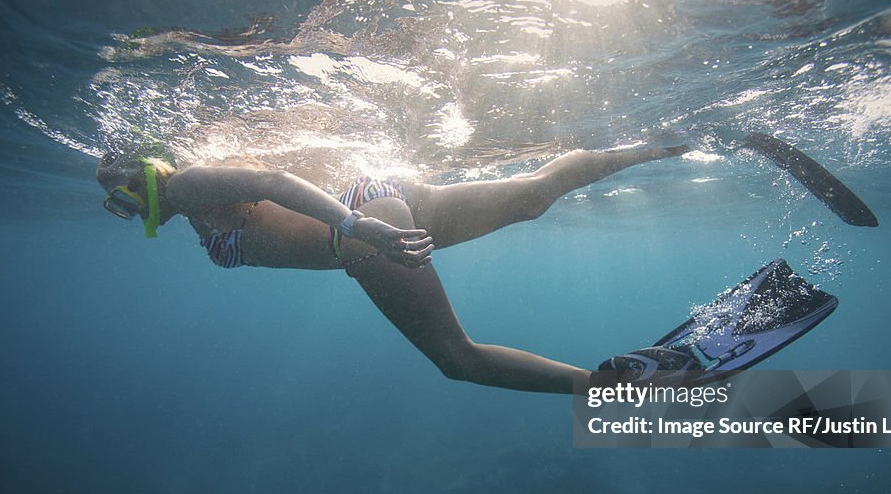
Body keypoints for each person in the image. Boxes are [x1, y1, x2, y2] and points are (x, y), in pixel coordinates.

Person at [97, 142, 691, 394]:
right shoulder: (189, 209)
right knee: (534, 198)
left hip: (366, 232)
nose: (120, 208)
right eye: (112, 203)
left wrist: (358, 228)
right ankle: (660, 145)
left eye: (119, 194)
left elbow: (271, 182)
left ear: (143, 174)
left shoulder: (189, 185)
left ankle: (614, 390)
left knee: (458, 360)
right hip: (376, 213)